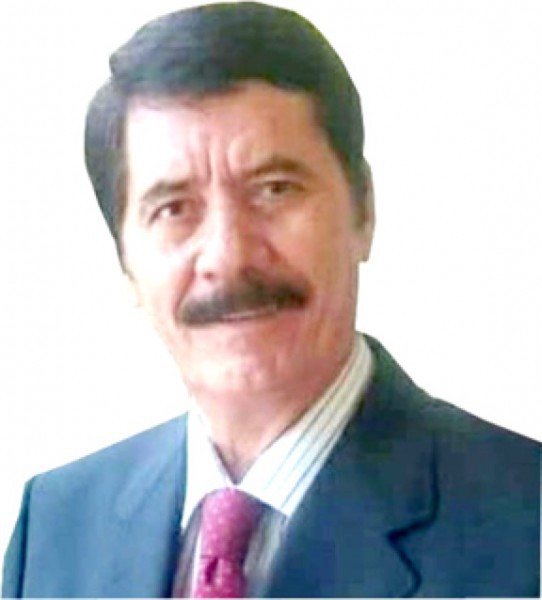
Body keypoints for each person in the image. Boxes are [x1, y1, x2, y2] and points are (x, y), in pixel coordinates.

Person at [2, 2, 540, 598]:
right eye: (174, 209)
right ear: (125, 263)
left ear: (364, 211)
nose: (228, 256)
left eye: (275, 189)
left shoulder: (525, 524)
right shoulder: (55, 525)